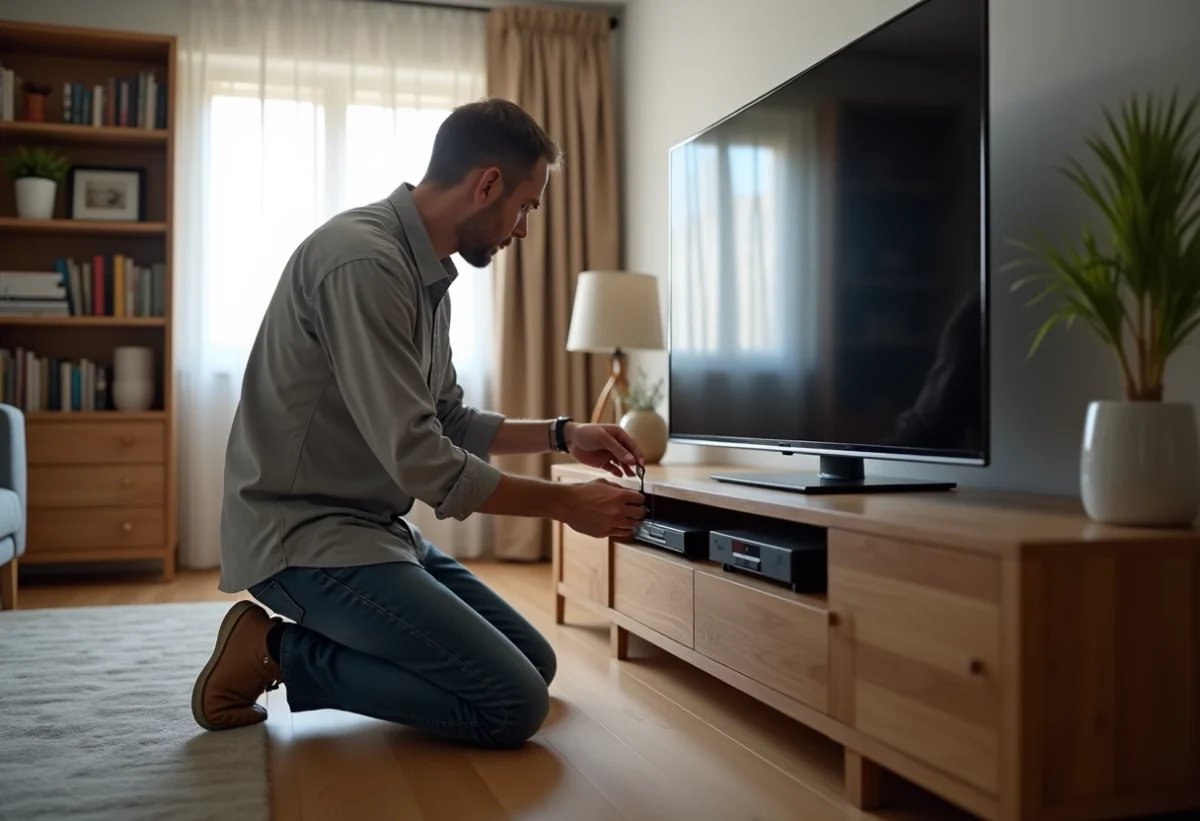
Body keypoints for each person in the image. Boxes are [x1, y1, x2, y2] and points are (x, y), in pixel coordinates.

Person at [190, 98, 647, 749]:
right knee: (510, 704)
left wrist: (562, 433)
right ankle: (276, 651)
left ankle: (326, 639)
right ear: (486, 183)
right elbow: (423, 459)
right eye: (525, 206)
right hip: (301, 536)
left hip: (374, 528)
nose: (522, 229)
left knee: (535, 666)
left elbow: (448, 417)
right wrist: (566, 503)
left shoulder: (424, 273)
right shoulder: (366, 264)